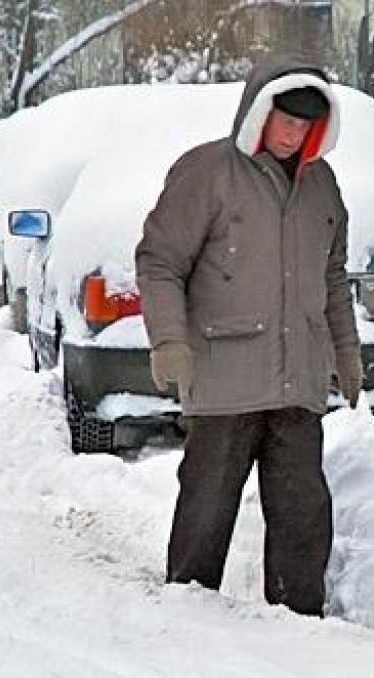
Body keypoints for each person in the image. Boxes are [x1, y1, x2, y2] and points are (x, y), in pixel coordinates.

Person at [135, 56, 362, 617]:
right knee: (207, 507)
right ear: (260, 113)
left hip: (297, 380)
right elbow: (160, 262)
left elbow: (331, 277)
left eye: (304, 126)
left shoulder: (323, 186)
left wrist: (347, 353)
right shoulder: (207, 172)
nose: (291, 134)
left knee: (303, 512)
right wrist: (169, 341)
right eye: (284, 120)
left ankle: (300, 622)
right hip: (223, 379)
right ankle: (186, 612)